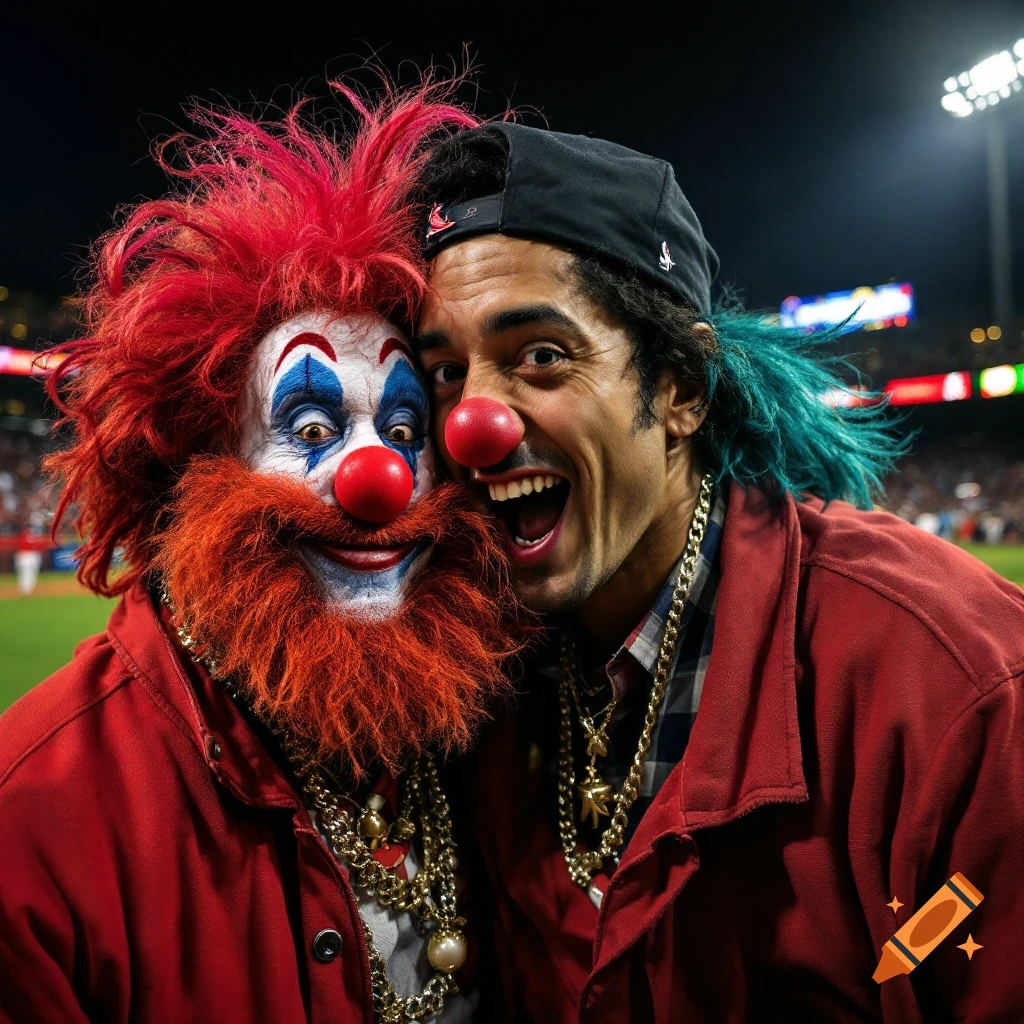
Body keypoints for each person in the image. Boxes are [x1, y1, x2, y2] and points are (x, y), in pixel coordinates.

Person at [413, 122, 1024, 1022]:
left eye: (540, 355)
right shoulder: (473, 684)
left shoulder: (956, 686)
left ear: (683, 387)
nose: (475, 421)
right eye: (443, 372)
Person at [0, 87, 527, 1024]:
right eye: (312, 423)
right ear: (193, 463)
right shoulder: (33, 817)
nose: (382, 481)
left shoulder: (490, 717)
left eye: (405, 425)